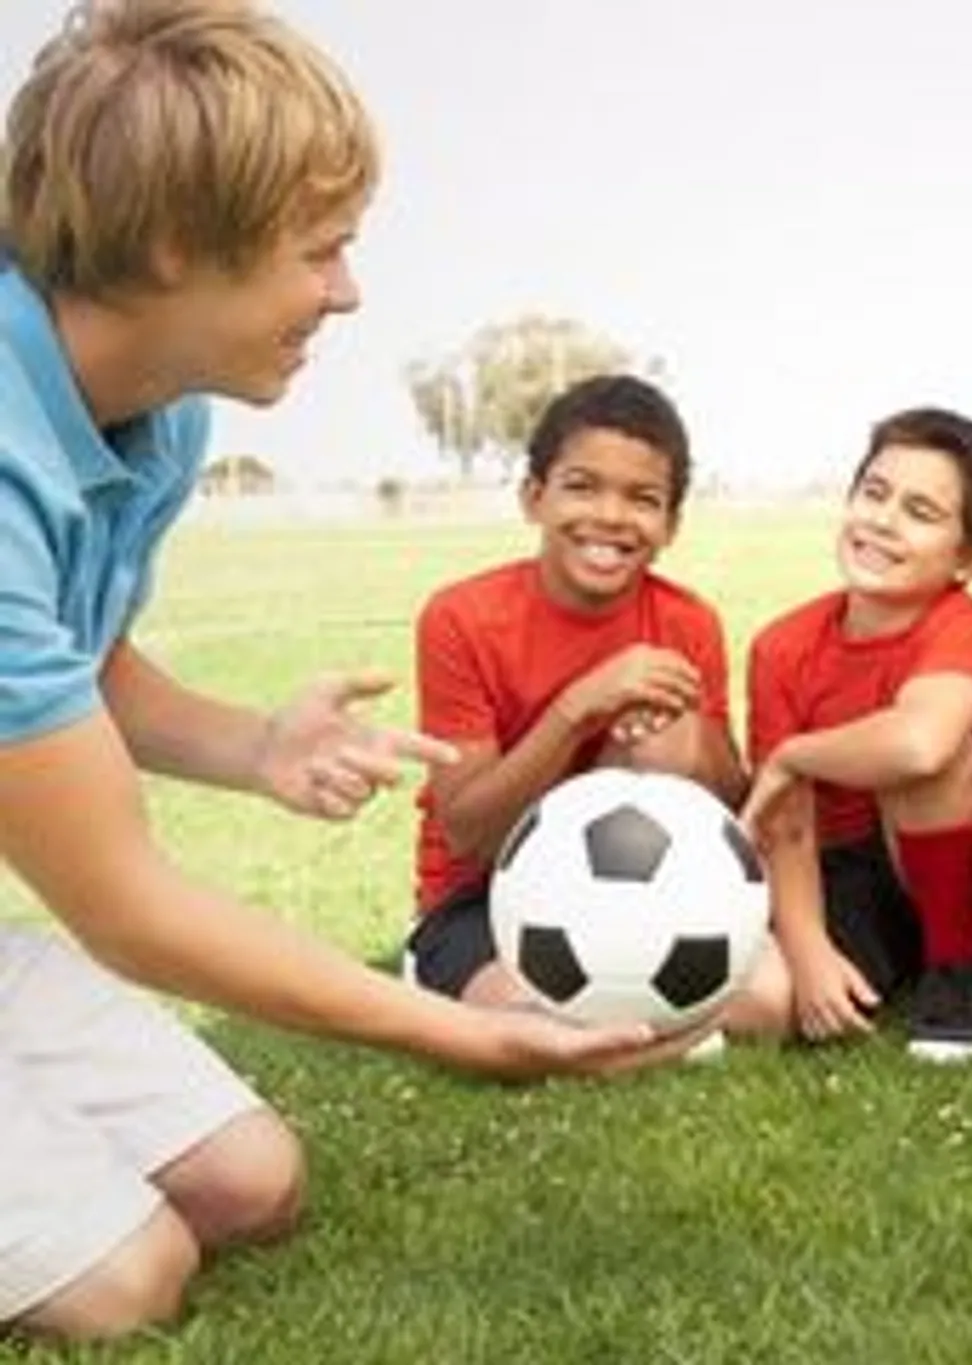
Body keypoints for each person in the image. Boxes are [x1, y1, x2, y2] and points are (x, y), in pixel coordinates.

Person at [0, 1, 664, 1342]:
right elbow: (124, 906)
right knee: (127, 1281)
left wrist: (252, 746)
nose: (349, 292)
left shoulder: (158, 409)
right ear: (180, 244)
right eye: (324, 250)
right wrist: (463, 1031)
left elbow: (79, 661)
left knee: (251, 1182)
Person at [406, 373, 781, 1039]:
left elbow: (728, 804)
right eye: (582, 486)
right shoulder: (460, 617)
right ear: (534, 496)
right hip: (487, 893)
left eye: (642, 498)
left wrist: (690, 732)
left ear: (669, 524)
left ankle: (624, 1007)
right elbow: (469, 831)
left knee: (772, 1004)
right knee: (532, 1026)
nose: (610, 516)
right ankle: (444, 965)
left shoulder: (687, 621)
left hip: (651, 898)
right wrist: (580, 705)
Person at [740, 407, 972, 1061]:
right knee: (764, 999)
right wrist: (808, 953)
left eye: (921, 512)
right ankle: (891, 961)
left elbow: (921, 742)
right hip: (838, 874)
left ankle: (960, 968)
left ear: (970, 557)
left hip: (961, 863)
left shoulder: (962, 625)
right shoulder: (782, 645)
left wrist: (795, 753)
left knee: (927, 764)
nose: (883, 521)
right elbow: (787, 821)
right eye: (874, 493)